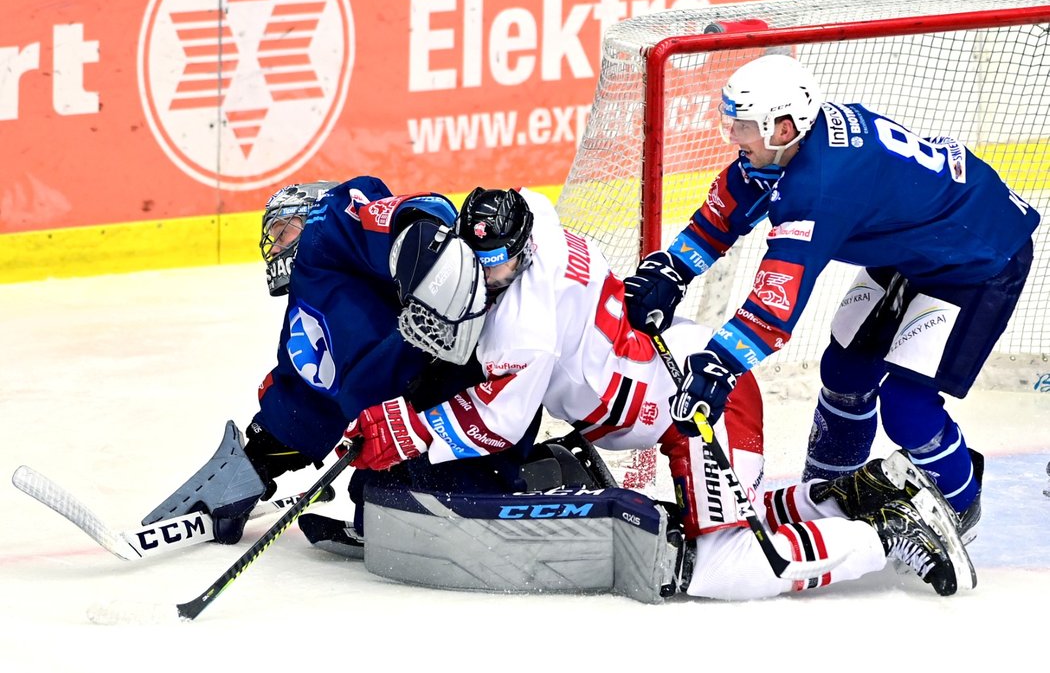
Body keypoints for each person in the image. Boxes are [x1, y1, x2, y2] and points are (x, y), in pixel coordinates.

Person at [335, 186, 975, 599]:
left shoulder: (524, 329)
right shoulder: (540, 217)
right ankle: (850, 493)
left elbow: (495, 426)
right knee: (737, 516)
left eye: (500, 264)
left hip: (698, 412)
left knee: (725, 567)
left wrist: (399, 427)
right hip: (684, 375)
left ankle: (884, 535)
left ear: (522, 250)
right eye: (482, 262)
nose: (489, 276)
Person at [621, 54, 1040, 543]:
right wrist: (674, 268)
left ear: (781, 128)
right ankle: (824, 497)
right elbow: (736, 201)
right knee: (843, 373)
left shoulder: (820, 187)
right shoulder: (792, 146)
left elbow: (776, 304)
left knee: (907, 406)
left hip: (980, 256)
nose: (733, 136)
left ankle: (958, 512)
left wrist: (719, 365)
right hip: (915, 244)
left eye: (743, 126)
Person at [142, 176, 486, 543]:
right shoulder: (304, 314)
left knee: (431, 497)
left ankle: (511, 485)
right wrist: (253, 464)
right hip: (407, 415)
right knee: (379, 506)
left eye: (283, 229)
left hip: (459, 368)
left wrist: (429, 250)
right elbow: (306, 400)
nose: (275, 245)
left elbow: (393, 214)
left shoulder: (329, 224)